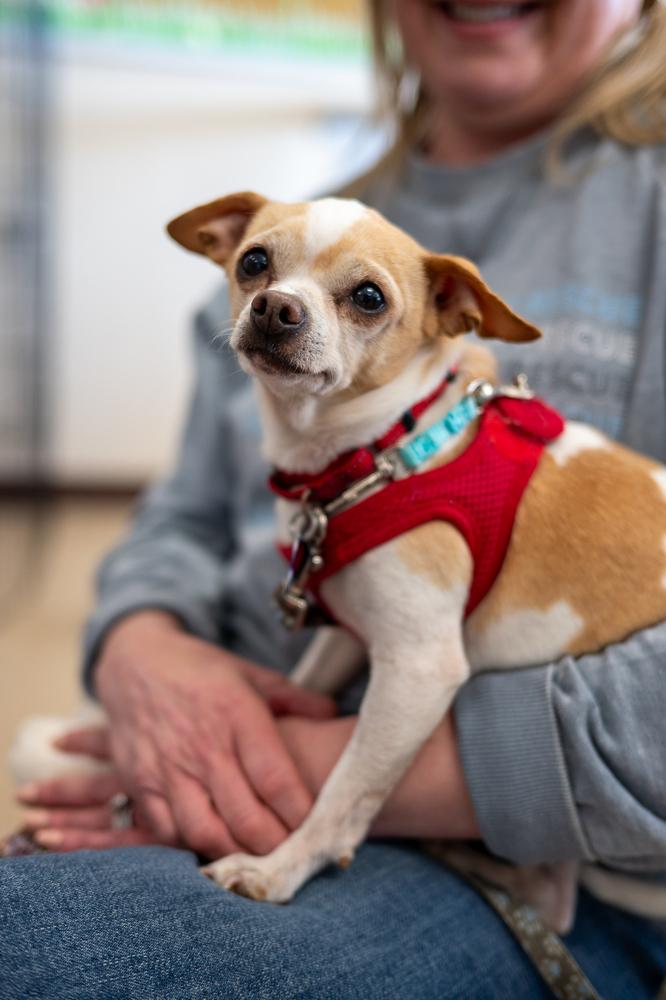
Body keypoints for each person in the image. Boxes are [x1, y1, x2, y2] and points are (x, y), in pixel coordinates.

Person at [4, 1, 666, 996]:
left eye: (363, 300)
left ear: (450, 315)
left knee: (45, 948)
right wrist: (145, 652)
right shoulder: (316, 217)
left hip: (552, 856)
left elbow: (421, 653)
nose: (277, 300)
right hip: (246, 745)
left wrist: (289, 772)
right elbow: (176, 524)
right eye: (256, 270)